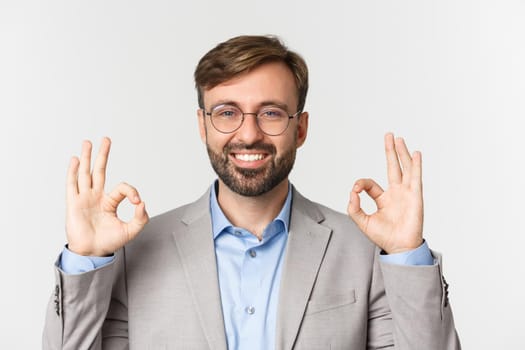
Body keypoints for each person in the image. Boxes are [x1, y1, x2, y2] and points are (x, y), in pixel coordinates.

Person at [43, 35, 461, 349]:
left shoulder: (365, 252)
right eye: (227, 113)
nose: (248, 134)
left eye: (271, 113)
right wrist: (85, 260)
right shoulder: (134, 253)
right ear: (202, 126)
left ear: (300, 129)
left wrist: (407, 253)